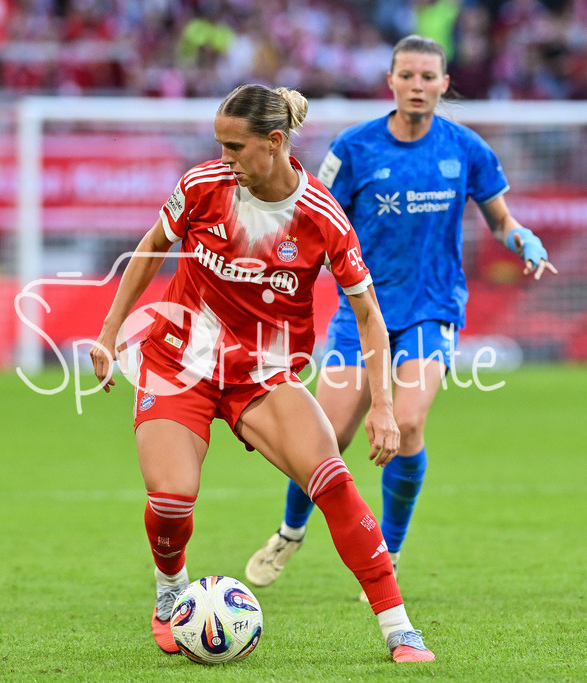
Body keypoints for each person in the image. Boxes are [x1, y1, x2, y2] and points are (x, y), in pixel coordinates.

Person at [90, 84, 435, 663]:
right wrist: (107, 333)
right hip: (180, 364)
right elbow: (150, 248)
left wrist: (380, 405)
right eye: (219, 145)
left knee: (332, 482)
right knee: (173, 498)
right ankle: (170, 589)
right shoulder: (203, 187)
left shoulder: (322, 217)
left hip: (263, 374)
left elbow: (368, 315)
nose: (224, 158)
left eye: (235, 146)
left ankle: (399, 628)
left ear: (274, 143)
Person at [245, 35, 558, 597]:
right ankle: (290, 532)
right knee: (324, 435)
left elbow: (501, 219)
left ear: (444, 84)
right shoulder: (354, 148)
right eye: (407, 76)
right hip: (358, 310)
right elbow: (312, 217)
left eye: (427, 77)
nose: (417, 86)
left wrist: (524, 239)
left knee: (408, 423)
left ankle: (386, 555)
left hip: (430, 311)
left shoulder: (465, 148)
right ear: (389, 82)